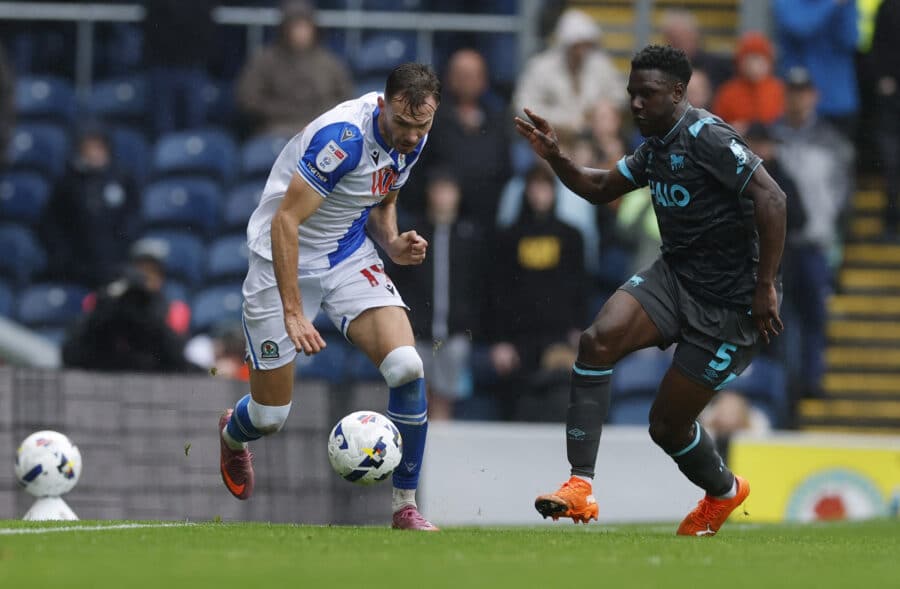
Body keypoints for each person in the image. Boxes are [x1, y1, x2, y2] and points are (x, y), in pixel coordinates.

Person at [514, 45, 787, 536]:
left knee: (666, 426)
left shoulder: (708, 137)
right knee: (597, 340)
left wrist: (764, 284)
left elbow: (772, 196)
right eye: (631, 94)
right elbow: (600, 188)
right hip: (676, 276)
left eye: (648, 94)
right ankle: (579, 485)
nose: (635, 104)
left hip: (731, 303)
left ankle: (725, 492)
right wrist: (556, 156)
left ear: (678, 93)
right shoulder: (656, 146)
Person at [218, 63, 441, 531]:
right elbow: (286, 223)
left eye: (421, 127)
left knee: (407, 366)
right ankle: (232, 435)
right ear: (383, 106)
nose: (410, 136)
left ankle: (405, 505)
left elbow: (381, 196)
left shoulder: (414, 137)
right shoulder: (342, 141)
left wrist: (393, 243)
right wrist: (294, 312)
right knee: (270, 416)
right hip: (281, 258)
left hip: (345, 252)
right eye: (402, 125)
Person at [772, 68, 853, 401]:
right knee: (780, 319)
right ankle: (786, 384)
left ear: (814, 96)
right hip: (779, 246)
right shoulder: (771, 136)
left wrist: (833, 237)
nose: (797, 97)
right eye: (792, 91)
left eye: (803, 91)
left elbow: (842, 195)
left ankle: (811, 380)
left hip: (816, 243)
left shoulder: (832, 141)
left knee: (815, 316)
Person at [387, 170, 484, 421]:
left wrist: (469, 324)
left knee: (446, 399)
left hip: (455, 334)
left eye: (448, 190)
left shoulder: (469, 236)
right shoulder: (414, 234)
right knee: (416, 397)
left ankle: (438, 453)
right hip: (418, 331)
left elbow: (477, 286)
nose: (443, 197)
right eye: (439, 190)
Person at [405, 49, 512, 226]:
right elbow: (416, 169)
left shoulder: (496, 119)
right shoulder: (430, 118)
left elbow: (505, 167)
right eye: (461, 74)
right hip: (438, 217)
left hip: (488, 216)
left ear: (484, 80)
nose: (466, 81)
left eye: (472, 75)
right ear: (449, 78)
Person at [236, 0, 354, 138]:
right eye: (296, 26)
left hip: (320, 129)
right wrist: (282, 109)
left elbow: (348, 100)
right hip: (276, 129)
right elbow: (246, 98)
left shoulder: (330, 63)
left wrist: (320, 113)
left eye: (305, 26)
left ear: (314, 28)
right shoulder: (264, 61)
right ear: (284, 28)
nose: (301, 32)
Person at [42, 123, 139, 287]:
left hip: (116, 264)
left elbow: (134, 217)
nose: (95, 153)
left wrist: (121, 248)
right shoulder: (67, 182)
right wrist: (65, 257)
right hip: (77, 269)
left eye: (99, 147)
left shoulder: (123, 179)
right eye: (89, 148)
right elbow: (51, 224)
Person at [513, 9, 626, 137]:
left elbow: (620, 95)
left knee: (606, 112)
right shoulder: (540, 67)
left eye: (586, 45)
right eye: (577, 46)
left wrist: (598, 110)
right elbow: (524, 106)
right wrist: (563, 121)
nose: (581, 52)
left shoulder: (600, 64)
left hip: (592, 135)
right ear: (565, 45)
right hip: (553, 135)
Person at [772, 0, 859, 138]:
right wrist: (833, 4)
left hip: (837, 101)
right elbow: (799, 27)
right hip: (797, 103)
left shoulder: (844, 4)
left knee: (839, 156)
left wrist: (845, 8)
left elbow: (851, 40)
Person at [712, 32, 785, 133]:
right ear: (740, 62)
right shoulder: (728, 92)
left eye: (759, 58)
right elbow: (716, 126)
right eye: (749, 58)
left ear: (769, 62)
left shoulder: (779, 90)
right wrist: (732, 128)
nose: (754, 64)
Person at [871, 0, 900, 237]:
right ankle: (891, 218)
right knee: (891, 160)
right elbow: (879, 46)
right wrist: (884, 76)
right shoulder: (888, 8)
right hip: (892, 99)